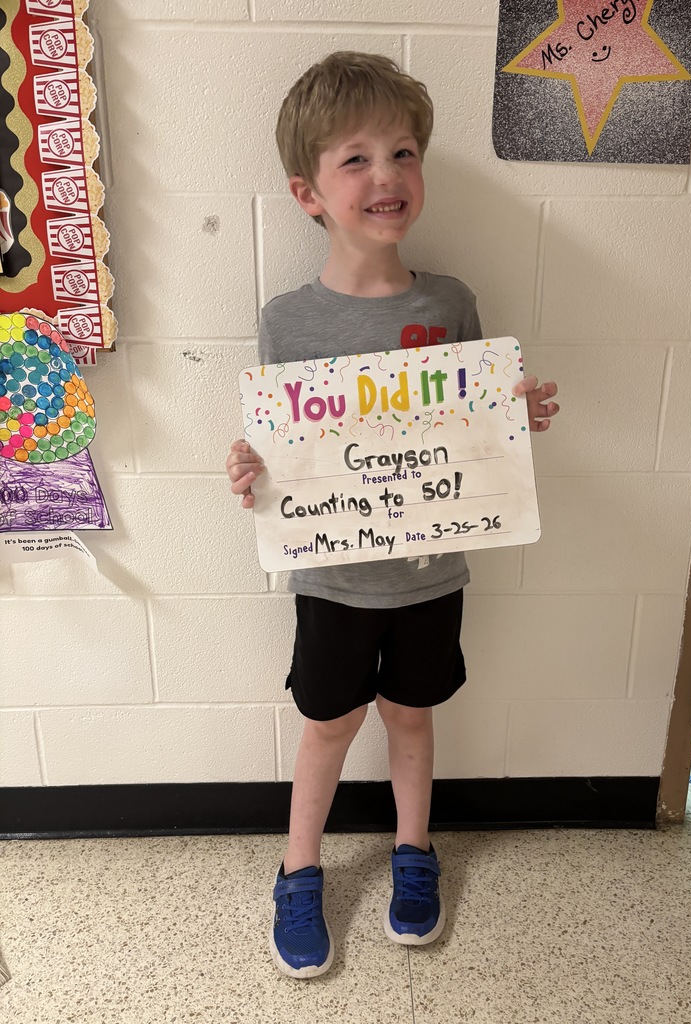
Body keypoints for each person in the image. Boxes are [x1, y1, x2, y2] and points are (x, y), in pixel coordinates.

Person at [226, 51, 559, 979]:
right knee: (328, 727)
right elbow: (282, 451)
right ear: (308, 194)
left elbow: (478, 445)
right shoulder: (287, 322)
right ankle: (299, 869)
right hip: (332, 575)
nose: (387, 176)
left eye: (404, 152)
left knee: (411, 718)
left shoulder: (449, 304)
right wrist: (250, 465)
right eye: (357, 159)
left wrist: (513, 417)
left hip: (429, 574)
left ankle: (415, 852)